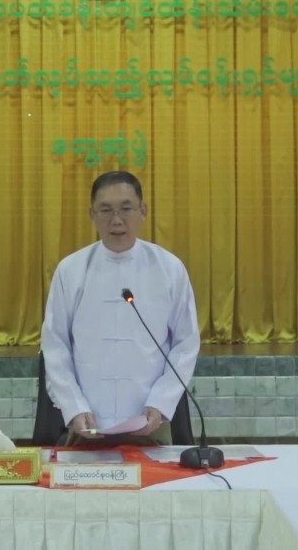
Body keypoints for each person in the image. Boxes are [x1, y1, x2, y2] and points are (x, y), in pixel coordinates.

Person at [41, 171, 200, 446]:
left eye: (126, 209)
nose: (116, 220)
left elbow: (185, 344)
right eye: (106, 210)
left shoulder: (169, 269)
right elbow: (55, 346)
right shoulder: (71, 270)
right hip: (86, 424)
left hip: (149, 424)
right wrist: (74, 406)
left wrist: (161, 403)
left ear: (143, 211)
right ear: (92, 214)